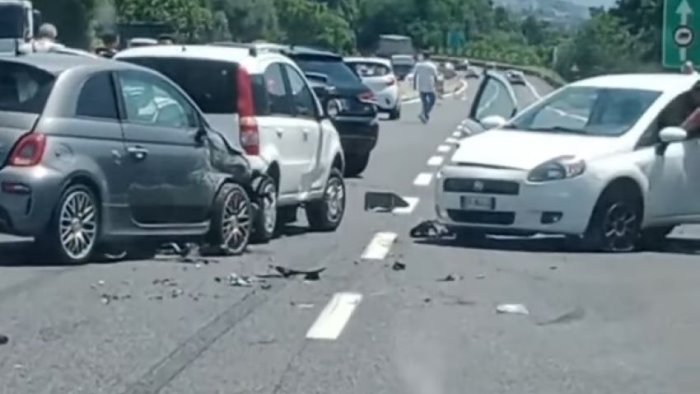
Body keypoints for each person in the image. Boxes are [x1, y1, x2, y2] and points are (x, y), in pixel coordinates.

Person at [413, 51, 439, 123]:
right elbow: (436, 76)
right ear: (429, 57)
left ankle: (424, 114)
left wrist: (414, 85)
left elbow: (415, 76)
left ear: (423, 56)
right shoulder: (432, 66)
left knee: (424, 101)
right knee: (432, 100)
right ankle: (425, 113)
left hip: (421, 85)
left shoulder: (418, 65)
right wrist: (437, 86)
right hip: (430, 85)